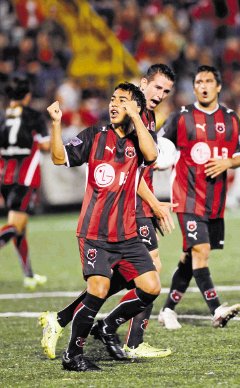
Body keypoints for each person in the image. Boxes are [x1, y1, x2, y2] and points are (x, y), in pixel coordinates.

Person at [39, 65, 176, 362]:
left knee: (151, 286)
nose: (113, 104)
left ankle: (106, 325)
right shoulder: (95, 135)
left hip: (126, 235)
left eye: (121, 100)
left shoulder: (139, 140)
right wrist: (57, 124)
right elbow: (60, 157)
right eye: (113, 99)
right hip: (95, 234)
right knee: (99, 289)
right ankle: (73, 355)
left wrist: (137, 116)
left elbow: (152, 155)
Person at [157, 65, 240, 330]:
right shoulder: (181, 117)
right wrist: (161, 160)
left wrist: (227, 162)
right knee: (201, 251)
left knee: (190, 257)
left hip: (215, 201)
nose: (204, 86)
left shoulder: (231, 118)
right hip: (187, 196)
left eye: (209, 81)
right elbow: (157, 144)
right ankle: (217, 309)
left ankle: (167, 310)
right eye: (199, 82)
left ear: (218, 86)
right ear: (194, 87)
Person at [0, 75, 49, 290]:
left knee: (20, 228)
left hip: (6, 178)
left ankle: (29, 275)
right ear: (27, 96)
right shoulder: (34, 117)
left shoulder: (2, 118)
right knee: (16, 226)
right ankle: (29, 274)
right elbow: (46, 147)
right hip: (25, 178)